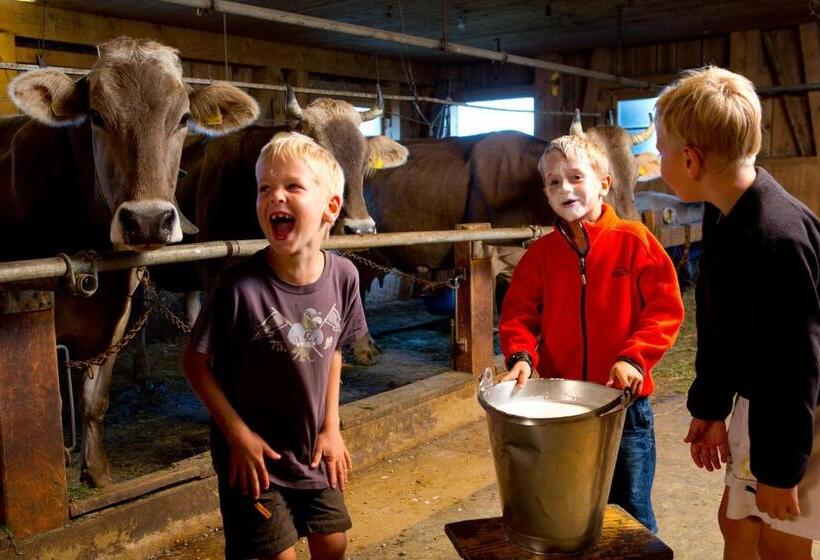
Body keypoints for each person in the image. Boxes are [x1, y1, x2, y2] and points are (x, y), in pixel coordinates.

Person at [657, 65, 820, 559]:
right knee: (738, 527)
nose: (657, 160)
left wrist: (779, 470)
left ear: (690, 159)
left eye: (660, 152)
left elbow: (795, 365)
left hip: (803, 411)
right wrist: (710, 406)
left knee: (780, 541)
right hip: (763, 399)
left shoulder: (776, 238)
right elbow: (718, 321)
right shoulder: (725, 209)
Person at [183, 132, 367, 560]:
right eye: (265, 188)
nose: (275, 197)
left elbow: (334, 350)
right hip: (255, 458)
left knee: (333, 544)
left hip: (312, 449)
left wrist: (332, 428)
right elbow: (195, 363)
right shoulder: (238, 286)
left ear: (330, 208)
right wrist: (238, 435)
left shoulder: (344, 277)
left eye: (292, 186)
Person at [499, 133, 685, 532]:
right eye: (553, 181)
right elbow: (518, 316)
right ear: (545, 192)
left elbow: (665, 309)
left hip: (624, 405)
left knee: (631, 510)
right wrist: (521, 357)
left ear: (603, 182)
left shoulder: (635, 242)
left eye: (576, 177)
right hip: (562, 408)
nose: (565, 188)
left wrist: (634, 356)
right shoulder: (540, 257)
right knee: (569, 506)